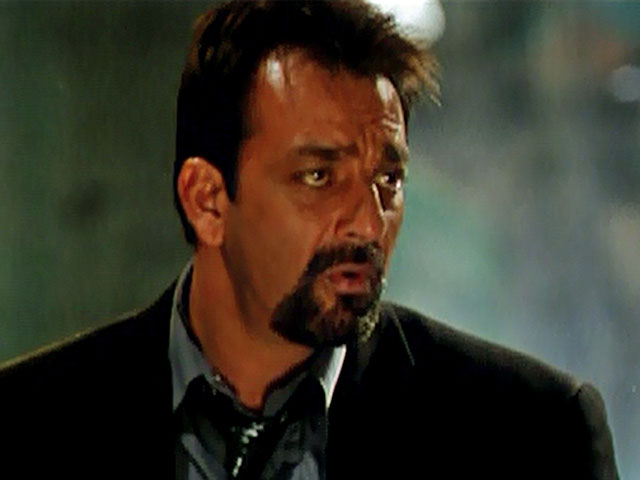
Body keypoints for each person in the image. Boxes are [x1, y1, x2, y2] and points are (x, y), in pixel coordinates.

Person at [0, 1, 619, 479]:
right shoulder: (30, 424)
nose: (369, 224)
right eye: (318, 176)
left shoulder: (531, 435)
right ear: (207, 200)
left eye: (388, 180)